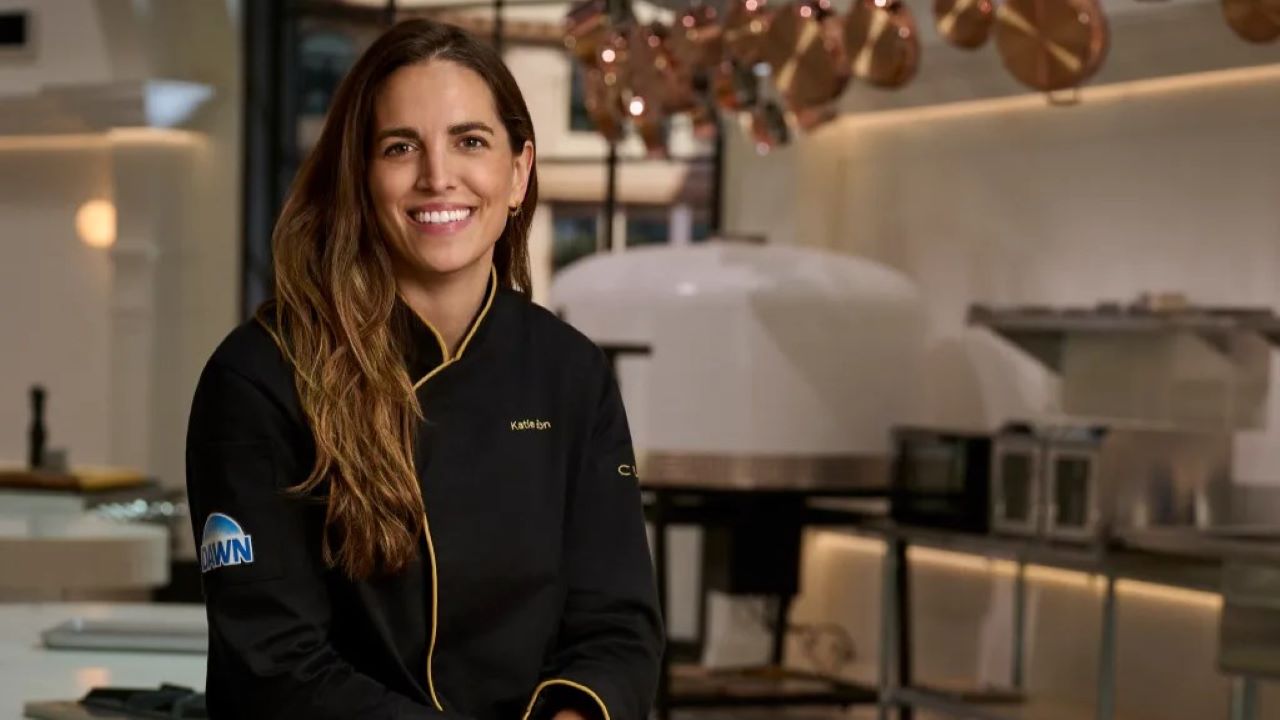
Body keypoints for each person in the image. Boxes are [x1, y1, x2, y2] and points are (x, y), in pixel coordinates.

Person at [185, 18, 663, 720]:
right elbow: (275, 666)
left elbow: (617, 627)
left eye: (470, 141)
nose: (438, 176)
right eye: (400, 147)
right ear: (361, 177)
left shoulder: (571, 374)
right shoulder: (261, 377)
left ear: (518, 173)